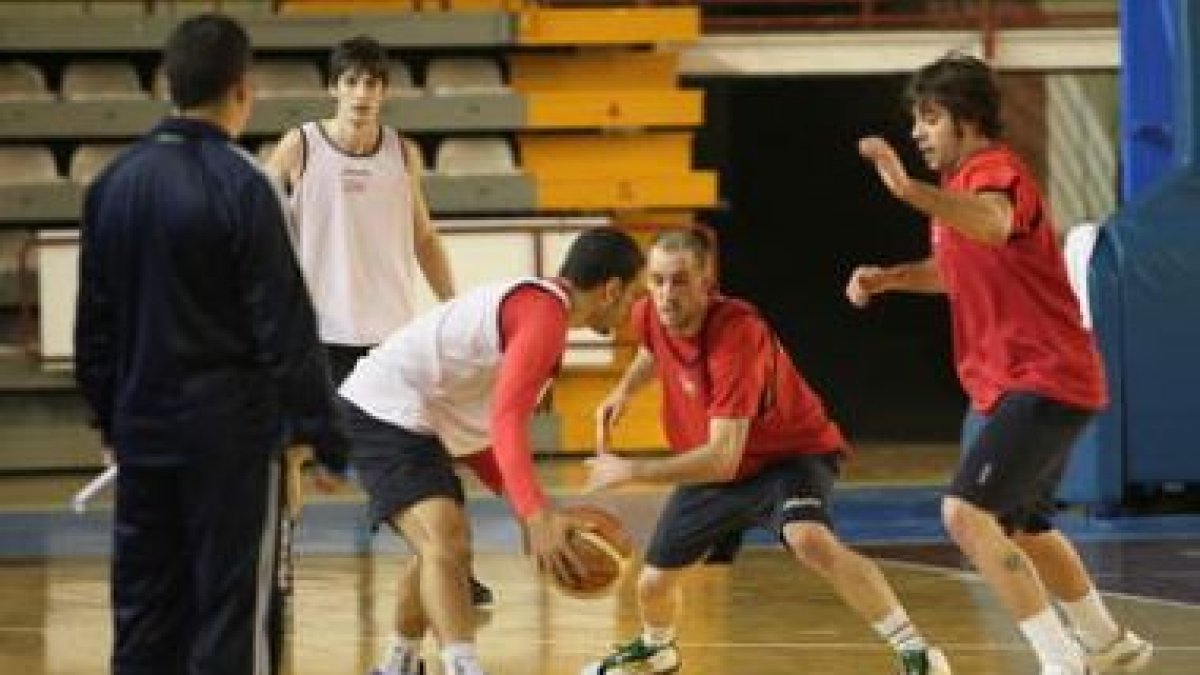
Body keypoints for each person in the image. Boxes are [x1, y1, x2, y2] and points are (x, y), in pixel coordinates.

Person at [846, 53, 1152, 675]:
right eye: (916, 120)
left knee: (965, 514)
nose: (917, 132)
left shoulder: (995, 172)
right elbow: (961, 269)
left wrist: (906, 191)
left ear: (967, 119)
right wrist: (891, 279)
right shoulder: (958, 193)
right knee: (1027, 526)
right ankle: (1107, 642)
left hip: (1044, 375)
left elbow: (993, 224)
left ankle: (1060, 661)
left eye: (930, 119)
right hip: (1034, 380)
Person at [74, 14, 345, 675]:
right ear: (242, 90)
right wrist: (324, 433)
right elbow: (285, 324)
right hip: (233, 442)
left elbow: (94, 327)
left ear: (166, 85)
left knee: (144, 617)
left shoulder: (112, 185)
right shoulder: (246, 184)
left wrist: (110, 419)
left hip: (143, 432)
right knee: (233, 620)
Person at [582, 230, 952, 675]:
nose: (665, 295)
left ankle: (916, 651)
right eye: (657, 281)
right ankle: (657, 648)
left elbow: (723, 457)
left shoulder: (737, 336)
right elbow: (651, 349)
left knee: (810, 540)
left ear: (706, 283)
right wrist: (623, 391)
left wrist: (631, 469)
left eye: (679, 281)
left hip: (788, 455)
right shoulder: (651, 315)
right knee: (653, 584)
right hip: (715, 467)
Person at [338, 227, 646, 675]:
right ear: (611, 290)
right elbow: (505, 422)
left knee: (442, 544)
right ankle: (463, 666)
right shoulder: (543, 318)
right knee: (445, 538)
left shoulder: (541, 312)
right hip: (383, 407)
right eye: (634, 294)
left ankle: (397, 664)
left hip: (422, 417)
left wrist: (538, 510)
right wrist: (536, 515)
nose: (633, 308)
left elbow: (482, 439)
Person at [262, 36, 502, 605]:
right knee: (292, 453)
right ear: (333, 88)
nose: (361, 93)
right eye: (350, 81)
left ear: (384, 91)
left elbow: (423, 236)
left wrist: (452, 305)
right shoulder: (301, 145)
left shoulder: (402, 152)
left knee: (425, 449)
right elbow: (256, 219)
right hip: (316, 334)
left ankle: (451, 569)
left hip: (392, 339)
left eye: (371, 82)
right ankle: (278, 564)